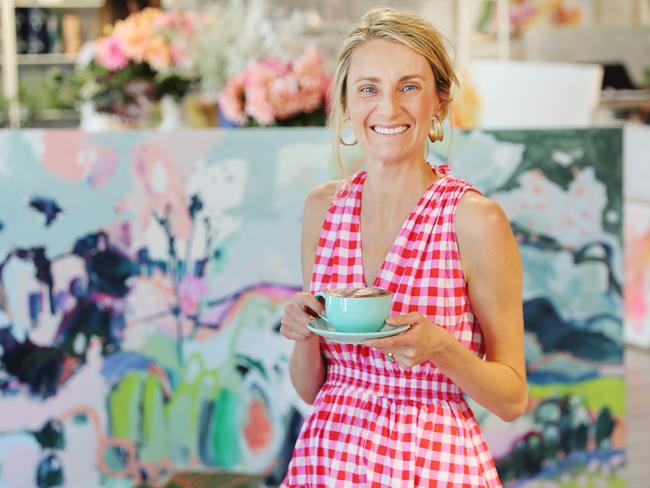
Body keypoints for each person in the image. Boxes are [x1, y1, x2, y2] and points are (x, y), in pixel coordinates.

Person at [279, 6, 527, 487]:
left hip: (432, 465)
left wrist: (440, 347)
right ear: (346, 105)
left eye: (409, 87)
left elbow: (512, 398)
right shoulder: (322, 210)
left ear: (438, 101)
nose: (388, 108)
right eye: (368, 89)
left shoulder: (474, 220)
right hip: (328, 459)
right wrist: (303, 331)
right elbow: (312, 389)